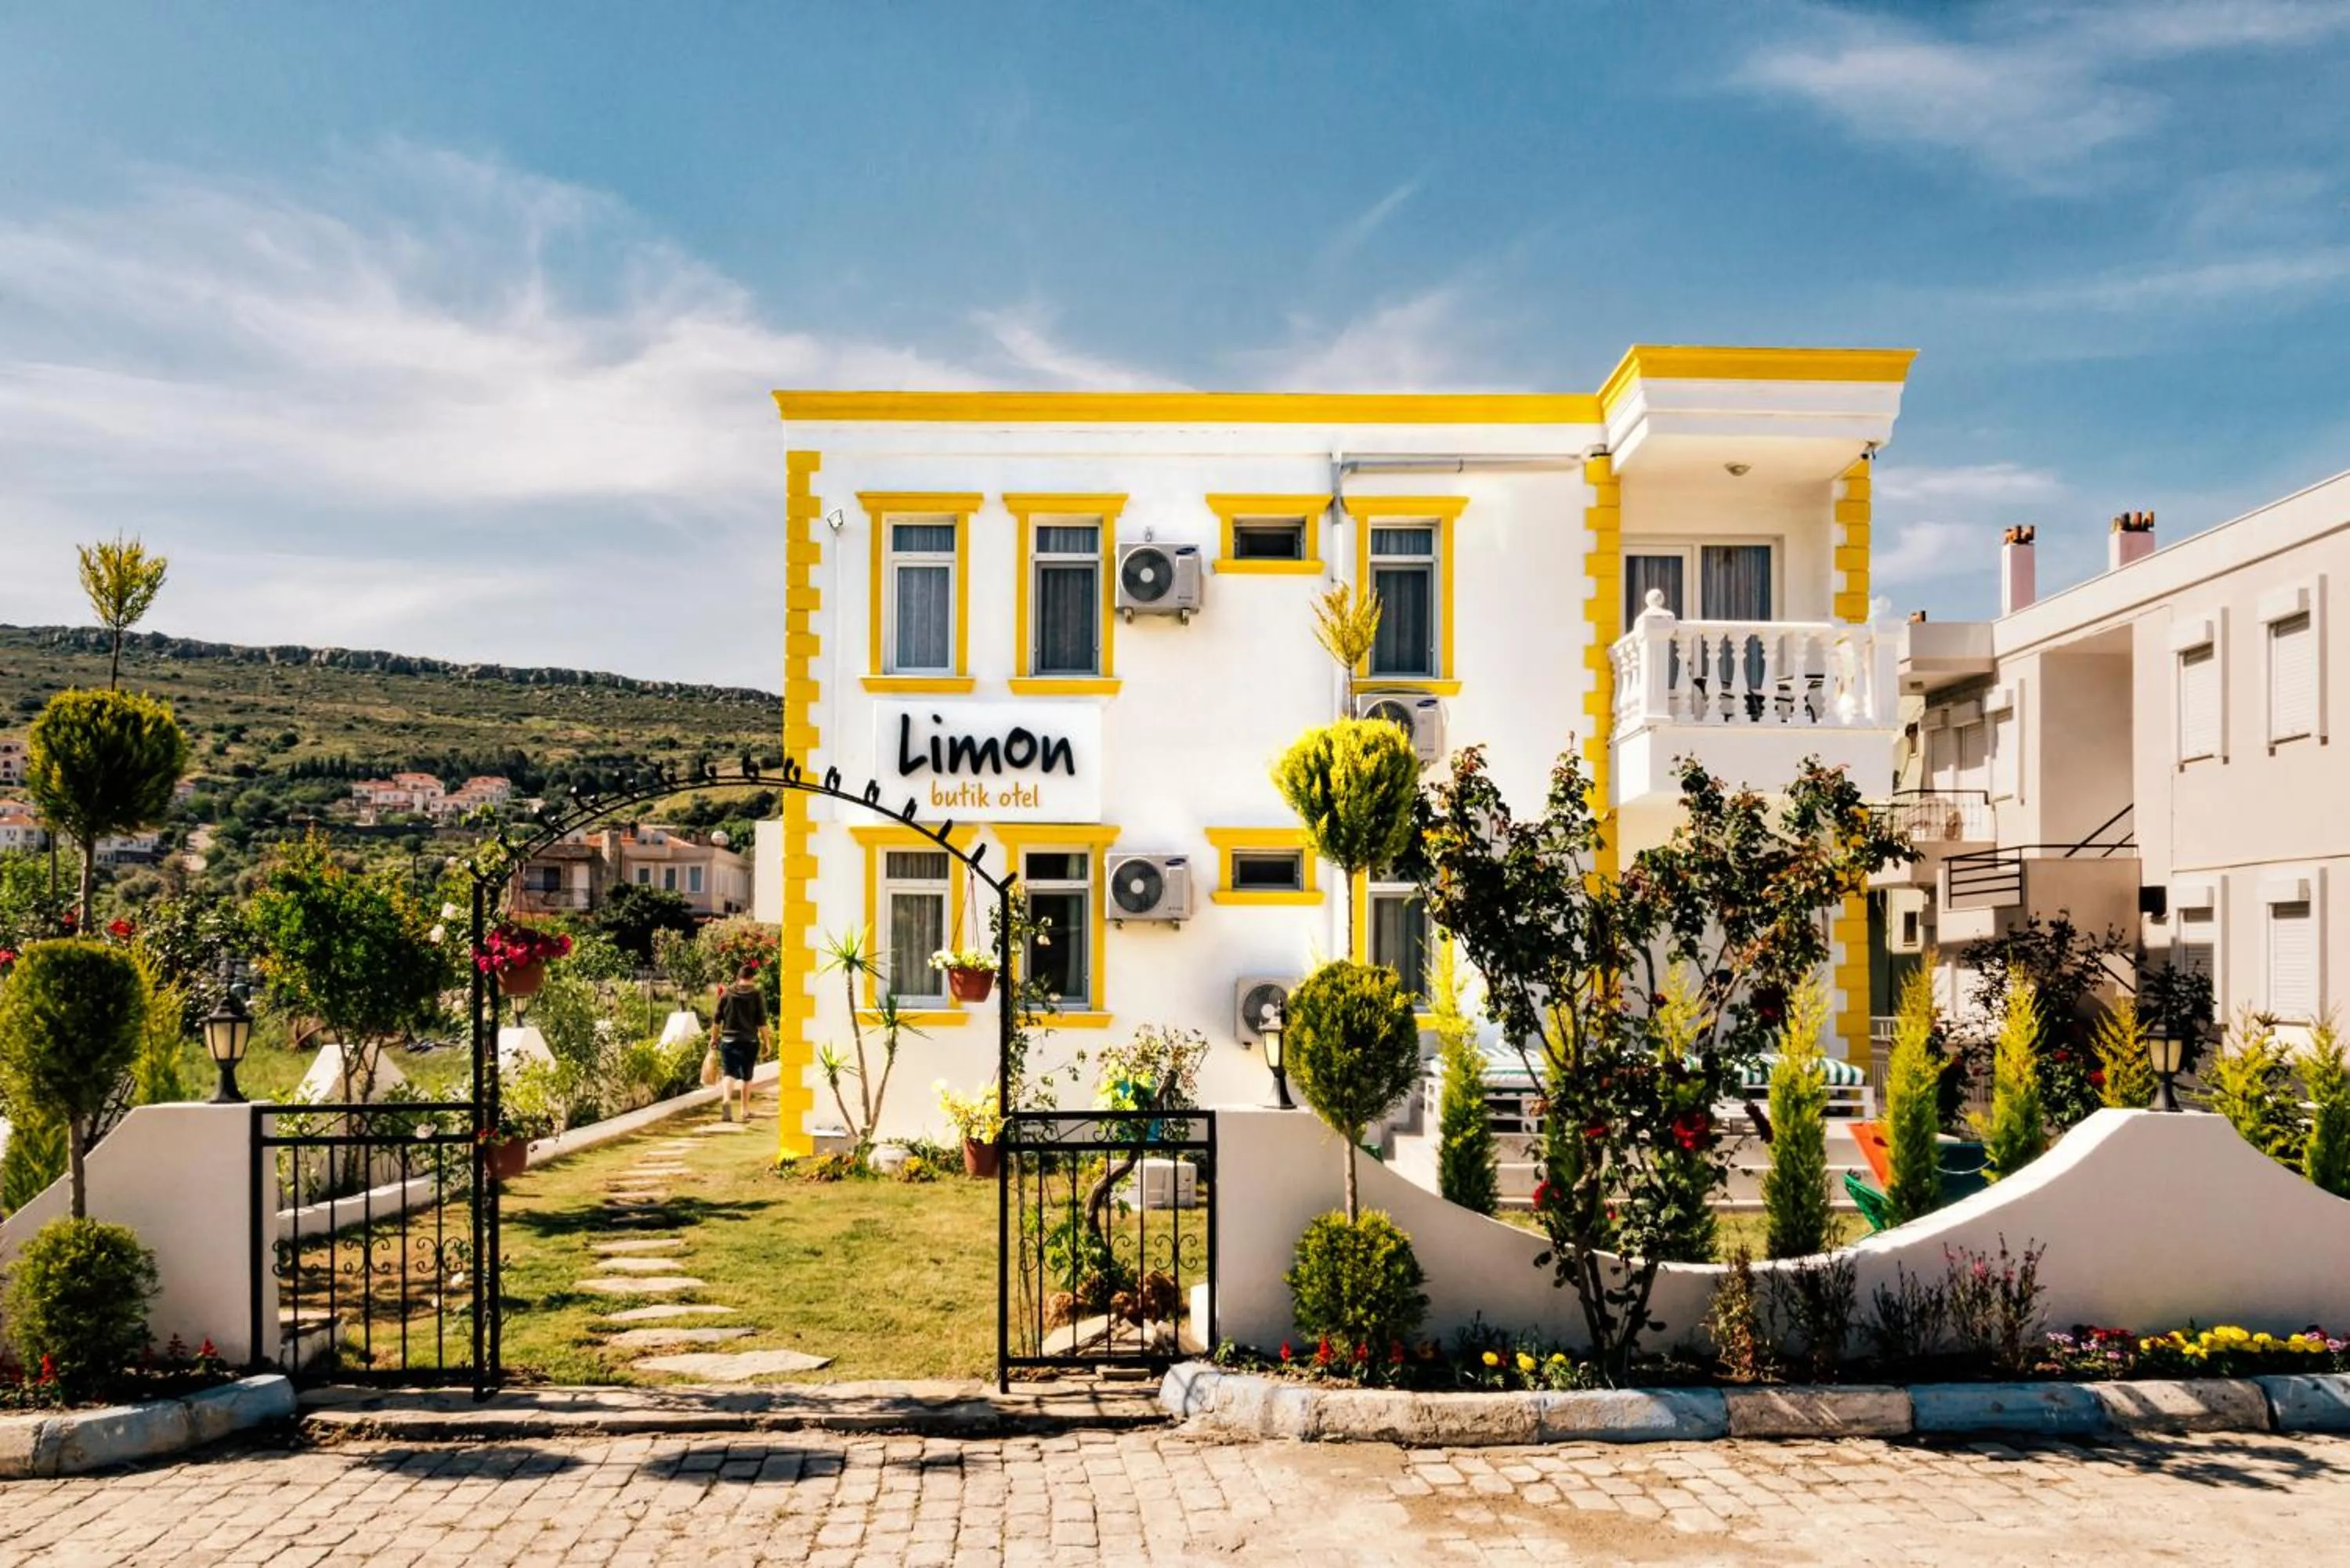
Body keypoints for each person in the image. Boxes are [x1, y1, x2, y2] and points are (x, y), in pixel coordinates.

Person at [710, 960, 769, 1122]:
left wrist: (713, 1039)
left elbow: (717, 1020)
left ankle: (726, 1100)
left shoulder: (727, 993)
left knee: (729, 1073)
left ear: (738, 977)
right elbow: (762, 1021)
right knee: (747, 1077)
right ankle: (744, 1110)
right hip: (749, 1041)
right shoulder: (756, 994)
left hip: (728, 1040)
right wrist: (767, 1042)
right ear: (752, 978)